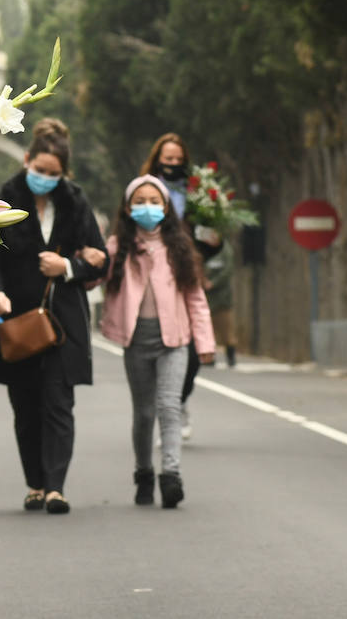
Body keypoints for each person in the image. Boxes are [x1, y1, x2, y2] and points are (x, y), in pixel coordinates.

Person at [0, 119, 108, 515]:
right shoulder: (5, 198)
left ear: (63, 173)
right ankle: (34, 483)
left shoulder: (76, 201)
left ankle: (55, 488)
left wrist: (67, 267)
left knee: (58, 402)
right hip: (17, 322)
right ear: (28, 160)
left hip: (63, 322)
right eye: (40, 171)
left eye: (54, 174)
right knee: (26, 405)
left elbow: (98, 258)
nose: (46, 179)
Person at [99, 175, 215, 508]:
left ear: (165, 208)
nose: (147, 207)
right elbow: (96, 277)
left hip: (174, 340)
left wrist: (204, 342)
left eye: (154, 201)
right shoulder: (117, 246)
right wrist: (85, 262)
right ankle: (144, 473)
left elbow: (195, 299)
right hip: (135, 340)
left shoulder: (180, 249)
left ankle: (172, 476)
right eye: (140, 201)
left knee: (169, 406)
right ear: (127, 207)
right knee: (144, 412)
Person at [140, 132, 220, 437]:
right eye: (167, 159)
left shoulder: (198, 193)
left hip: (188, 275)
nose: (172, 164)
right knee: (162, 348)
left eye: (178, 160)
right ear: (157, 159)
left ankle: (179, 400)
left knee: (192, 350)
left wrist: (211, 242)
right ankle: (166, 410)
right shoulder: (144, 191)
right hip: (153, 278)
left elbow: (212, 236)